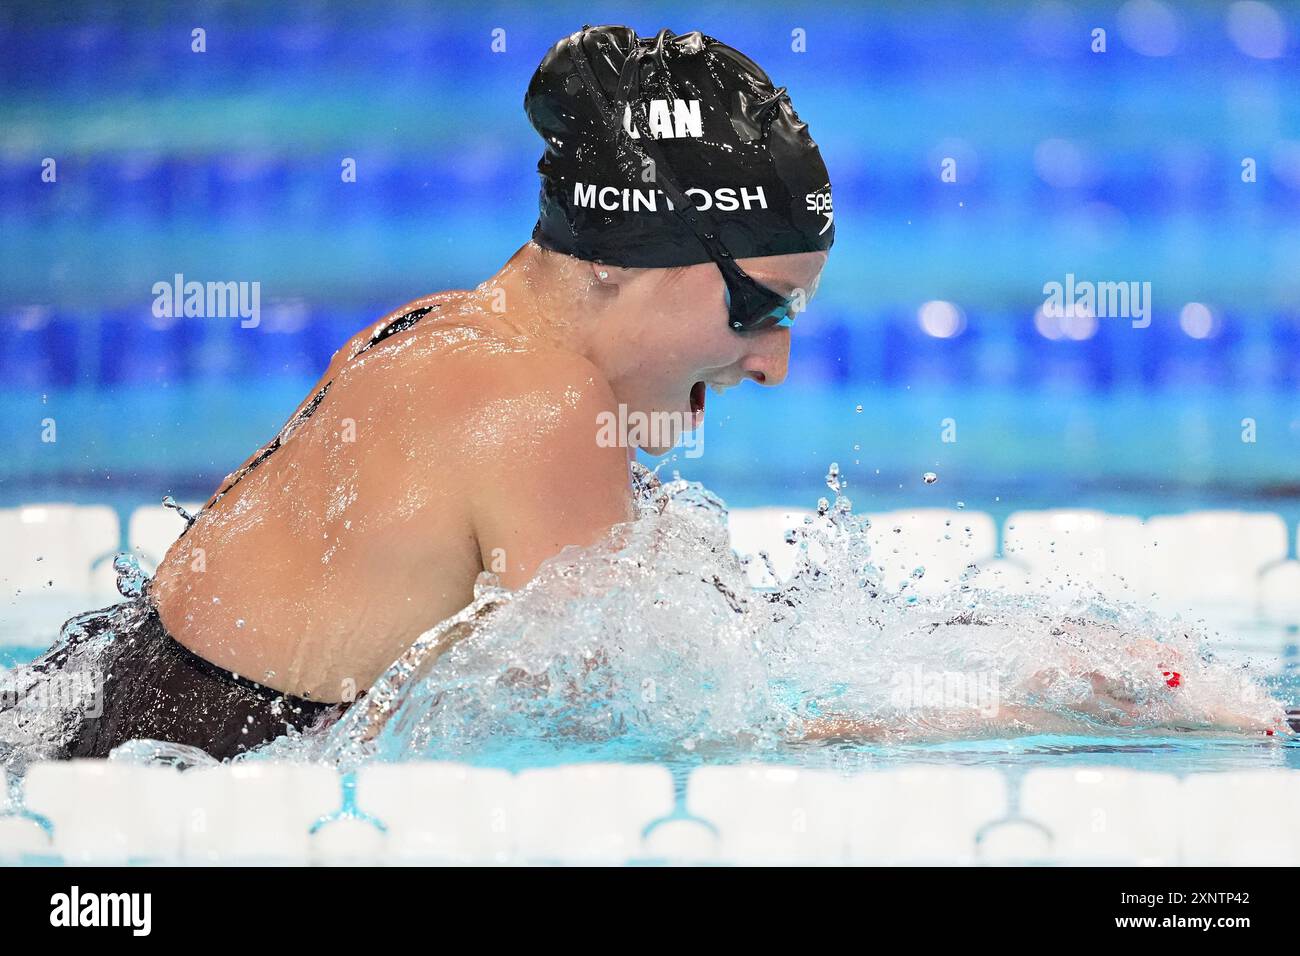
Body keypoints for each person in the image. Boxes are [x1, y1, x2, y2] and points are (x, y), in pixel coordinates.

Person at [18, 25, 836, 760]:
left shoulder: (435, 328)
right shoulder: (544, 406)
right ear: (622, 254)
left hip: (93, 722)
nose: (774, 364)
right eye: (758, 306)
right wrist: (870, 724)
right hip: (153, 797)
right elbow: (639, 729)